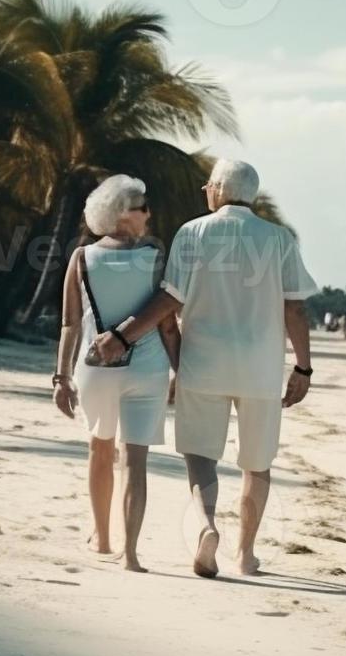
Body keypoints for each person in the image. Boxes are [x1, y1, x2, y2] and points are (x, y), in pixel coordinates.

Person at [89, 159, 315, 578]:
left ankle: (207, 527)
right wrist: (303, 367)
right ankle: (246, 555)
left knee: (201, 455)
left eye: (207, 187)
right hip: (261, 368)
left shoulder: (193, 232)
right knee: (256, 462)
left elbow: (170, 299)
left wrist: (122, 336)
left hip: (203, 361)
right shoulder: (278, 238)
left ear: (217, 190)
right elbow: (295, 308)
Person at [51, 175, 179, 573]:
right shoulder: (157, 256)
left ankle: (102, 538)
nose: (148, 213)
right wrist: (182, 370)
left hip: (95, 369)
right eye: (142, 207)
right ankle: (133, 554)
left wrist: (61, 377)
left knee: (100, 449)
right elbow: (167, 324)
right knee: (136, 460)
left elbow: (70, 324)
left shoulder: (81, 258)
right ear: (124, 214)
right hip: (149, 367)